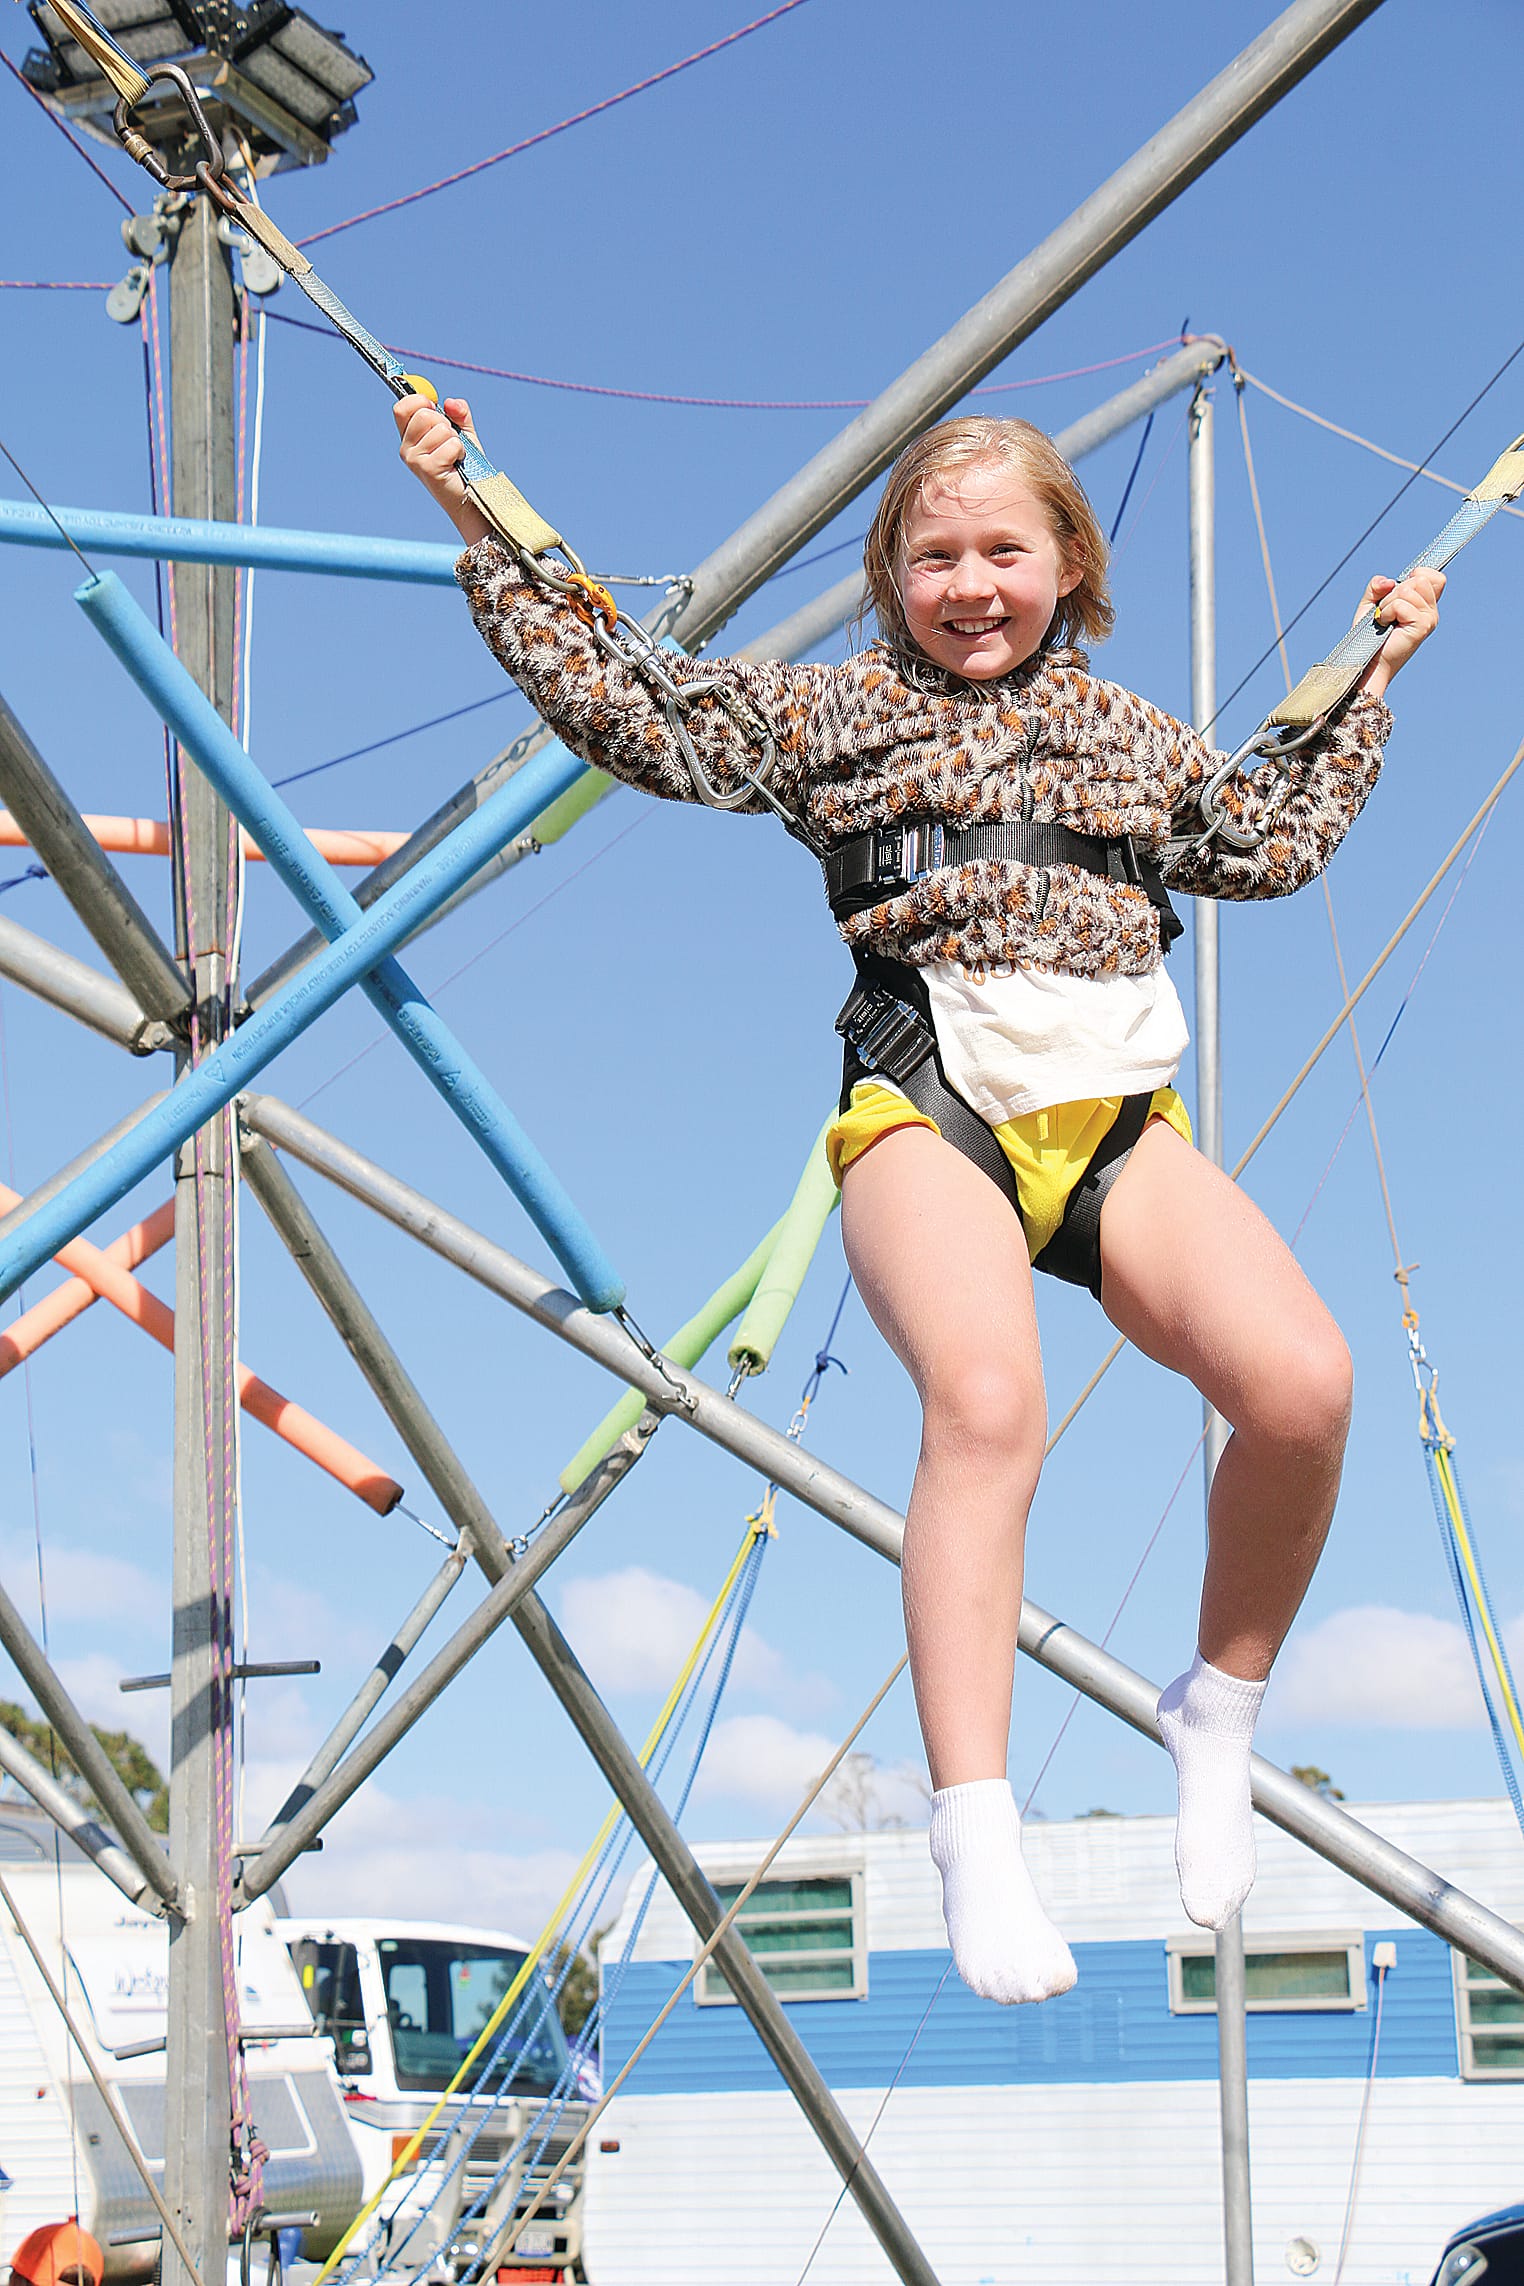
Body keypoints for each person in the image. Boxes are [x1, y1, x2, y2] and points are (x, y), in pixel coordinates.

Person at [394, 392, 1443, 2005]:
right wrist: (480, 515)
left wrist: (1375, 676)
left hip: (1103, 1114)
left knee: (1306, 1386)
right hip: (926, 1098)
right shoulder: (838, 713)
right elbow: (639, 707)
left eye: (1003, 552)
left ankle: (1215, 1710)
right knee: (987, 1399)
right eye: (934, 556)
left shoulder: (1139, 739)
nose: (970, 585)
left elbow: (1267, 837)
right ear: (893, 574)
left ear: (1068, 565)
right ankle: (976, 1825)